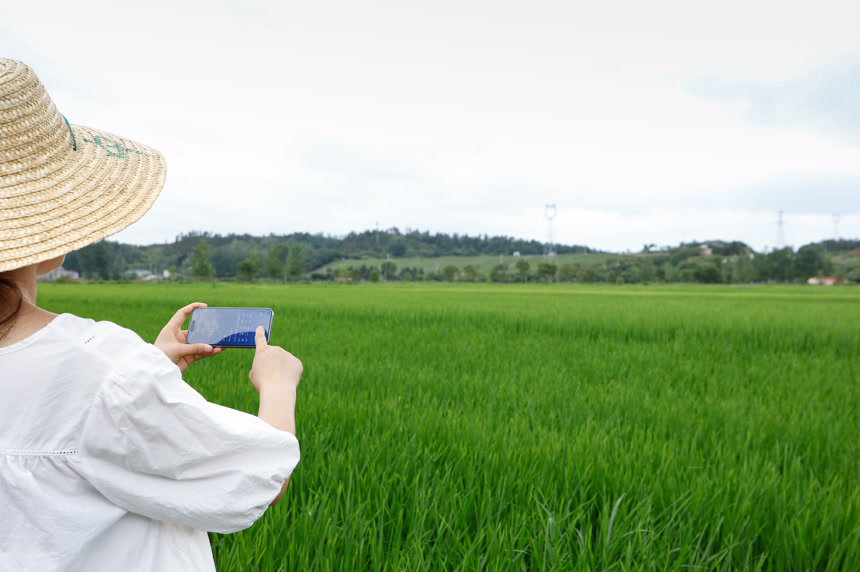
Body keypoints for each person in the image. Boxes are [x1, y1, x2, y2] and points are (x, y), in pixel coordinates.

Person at [0, 59, 303, 571]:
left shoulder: (105, 374)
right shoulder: (99, 370)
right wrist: (278, 385)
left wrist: (146, 372)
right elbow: (259, 482)